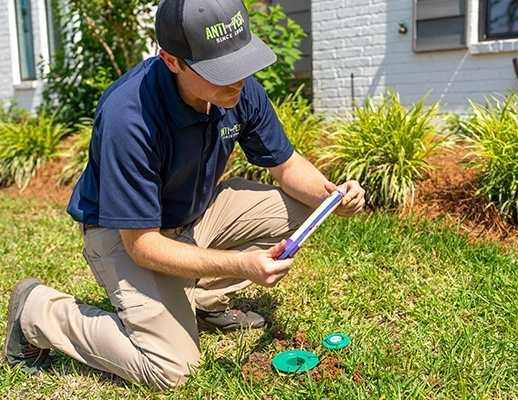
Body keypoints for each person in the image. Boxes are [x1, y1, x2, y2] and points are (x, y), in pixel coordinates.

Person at [2, 0, 365, 390]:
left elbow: (287, 166)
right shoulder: (129, 115)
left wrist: (329, 197)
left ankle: (203, 302)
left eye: (241, 63)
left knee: (298, 207)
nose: (238, 81)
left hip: (196, 213)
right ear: (172, 60)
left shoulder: (237, 88)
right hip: (127, 234)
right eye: (220, 71)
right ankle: (38, 311)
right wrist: (242, 265)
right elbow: (142, 246)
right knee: (173, 369)